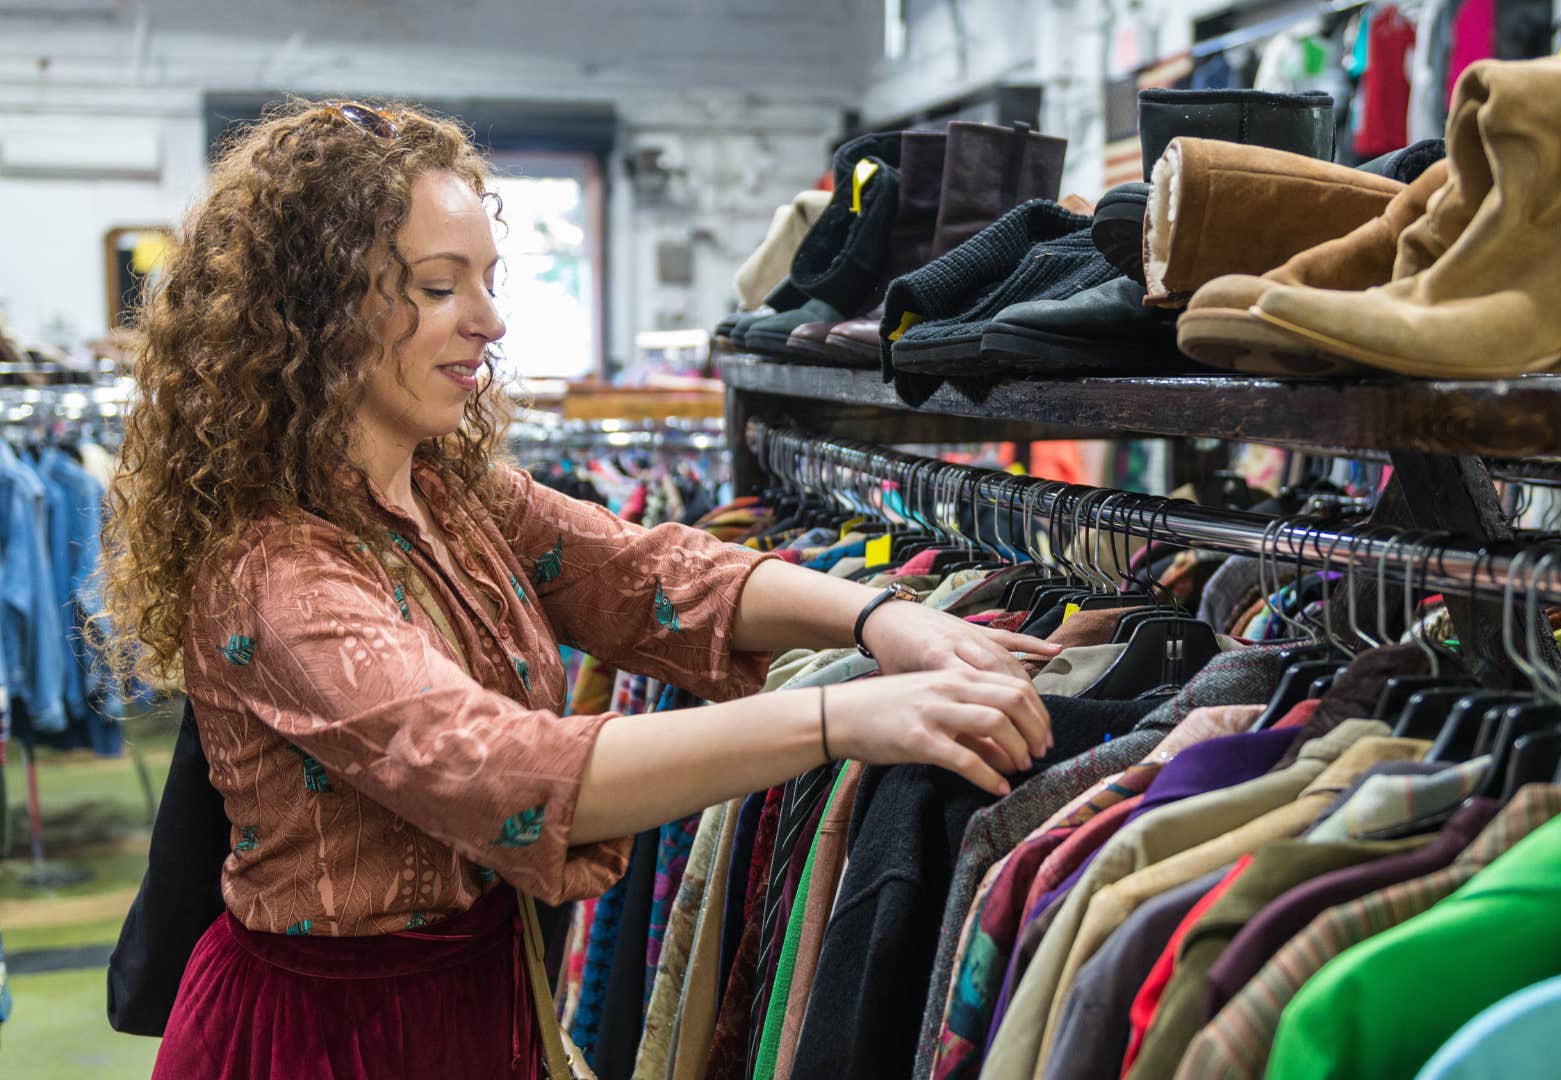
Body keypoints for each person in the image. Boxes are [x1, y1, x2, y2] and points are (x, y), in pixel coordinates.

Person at [100, 99, 1061, 1078]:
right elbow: (505, 773)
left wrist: (882, 616)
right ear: (316, 312)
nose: (489, 320)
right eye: (440, 287)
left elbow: (650, 575)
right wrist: (840, 717)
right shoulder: (274, 576)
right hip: (321, 1038)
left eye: (487, 279)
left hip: (483, 992)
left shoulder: (447, 489)